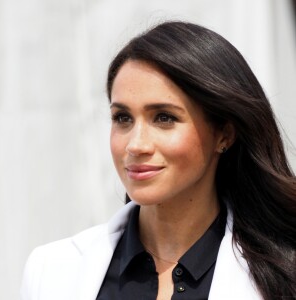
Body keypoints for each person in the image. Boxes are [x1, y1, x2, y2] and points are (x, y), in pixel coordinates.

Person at [20, 21, 296, 300]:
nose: (135, 144)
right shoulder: (51, 271)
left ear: (224, 133)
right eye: (122, 118)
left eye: (164, 118)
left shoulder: (285, 277)